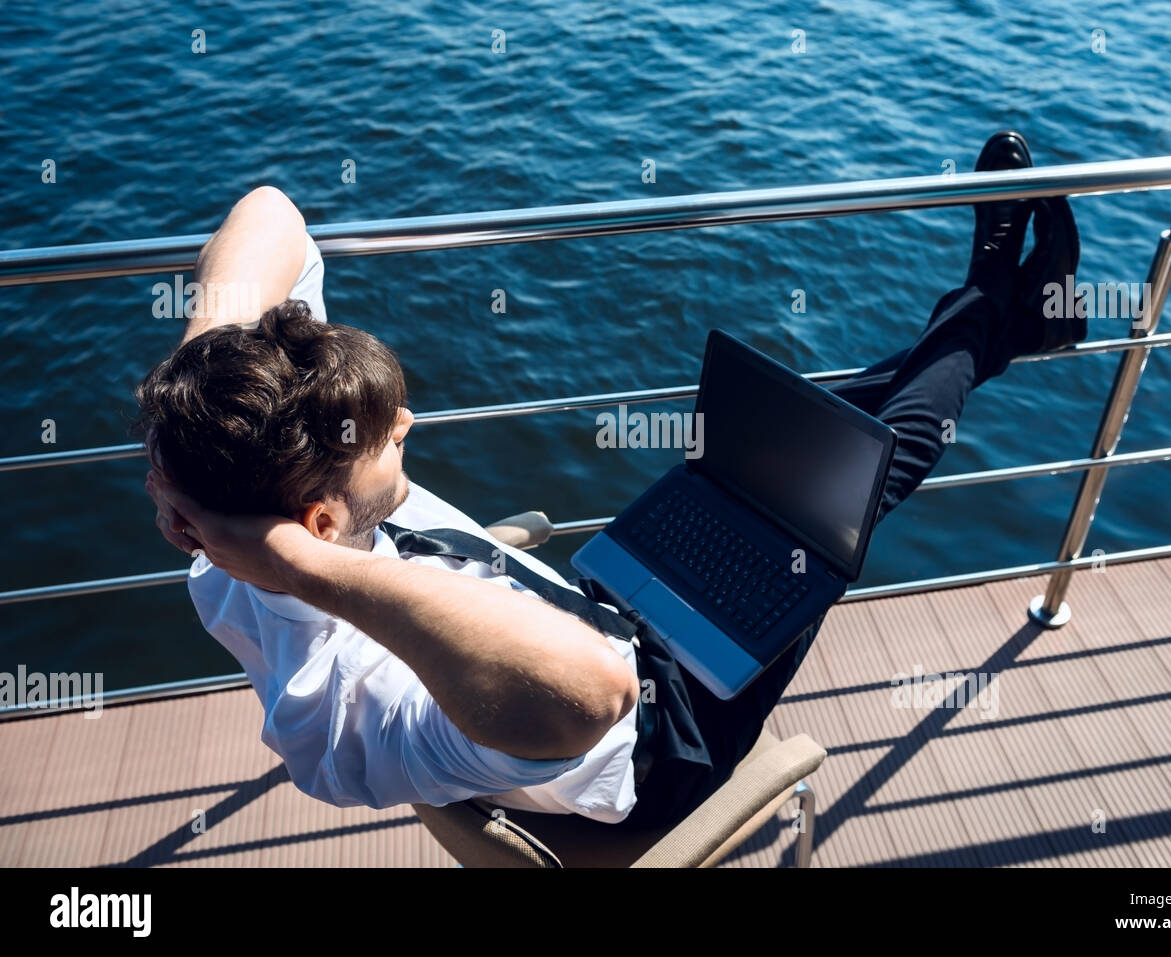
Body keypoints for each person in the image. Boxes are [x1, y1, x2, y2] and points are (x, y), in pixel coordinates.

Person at [139, 131, 1084, 831]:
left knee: (802, 447)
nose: (411, 427)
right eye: (389, 439)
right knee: (854, 476)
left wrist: (181, 430)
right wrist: (300, 566)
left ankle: (999, 313)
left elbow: (269, 212)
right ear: (316, 521)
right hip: (667, 731)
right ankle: (1000, 300)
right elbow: (597, 687)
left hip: (591, 602)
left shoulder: (236, 510)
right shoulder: (354, 704)